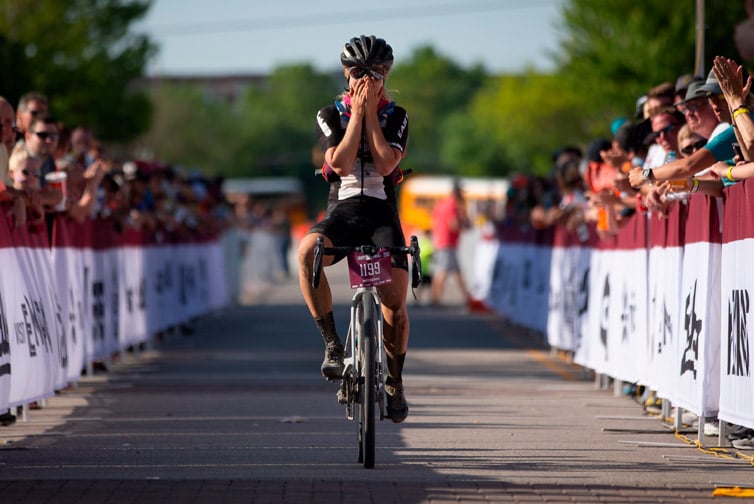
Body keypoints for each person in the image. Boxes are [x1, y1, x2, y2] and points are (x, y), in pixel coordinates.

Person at [297, 35, 411, 423]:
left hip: (381, 213)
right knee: (306, 251)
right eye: (359, 73)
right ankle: (332, 343)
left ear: (387, 75)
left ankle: (394, 380)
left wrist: (371, 118)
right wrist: (356, 117)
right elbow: (342, 165)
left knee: (394, 302)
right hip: (343, 210)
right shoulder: (329, 114)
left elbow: (383, 166)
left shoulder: (396, 115)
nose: (368, 80)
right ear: (346, 75)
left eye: (377, 73)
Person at [430, 180, 471, 306]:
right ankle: (436, 300)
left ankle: (467, 299)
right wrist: (464, 226)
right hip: (448, 242)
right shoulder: (453, 205)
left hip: (440, 240)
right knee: (443, 271)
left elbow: (434, 220)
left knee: (451, 271)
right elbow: (453, 224)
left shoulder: (441, 203)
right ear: (456, 192)